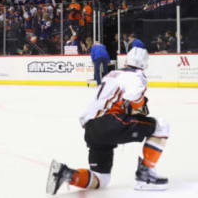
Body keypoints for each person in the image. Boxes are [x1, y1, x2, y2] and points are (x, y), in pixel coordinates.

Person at [46, 47, 169, 195]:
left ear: (127, 60)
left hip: (91, 129)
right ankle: (145, 176)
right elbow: (134, 99)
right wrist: (141, 105)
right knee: (161, 126)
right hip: (109, 123)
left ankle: (66, 174)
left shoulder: (112, 74)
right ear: (144, 64)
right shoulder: (137, 76)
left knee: (101, 179)